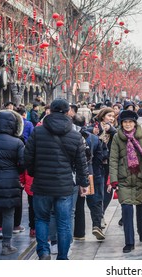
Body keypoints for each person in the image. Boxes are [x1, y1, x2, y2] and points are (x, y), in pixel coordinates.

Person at [24, 98, 89, 260]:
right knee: (64, 222)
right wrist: (83, 183)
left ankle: (44, 251)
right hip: (64, 185)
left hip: (42, 185)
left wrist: (34, 173)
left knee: (42, 219)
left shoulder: (37, 132)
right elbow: (81, 163)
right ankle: (62, 257)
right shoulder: (75, 135)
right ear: (68, 112)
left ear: (50, 111)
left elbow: (28, 158)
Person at [109, 110, 142, 253]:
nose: (127, 124)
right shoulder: (117, 137)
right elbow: (113, 159)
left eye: (130, 122)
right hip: (124, 180)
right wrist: (114, 180)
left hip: (140, 179)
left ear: (135, 123)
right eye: (125, 122)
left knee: (141, 210)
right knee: (126, 210)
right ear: (121, 124)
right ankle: (129, 242)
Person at [0, 110, 25, 259]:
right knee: (8, 213)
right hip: (10, 181)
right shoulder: (17, 142)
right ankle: (6, 245)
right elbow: (22, 164)